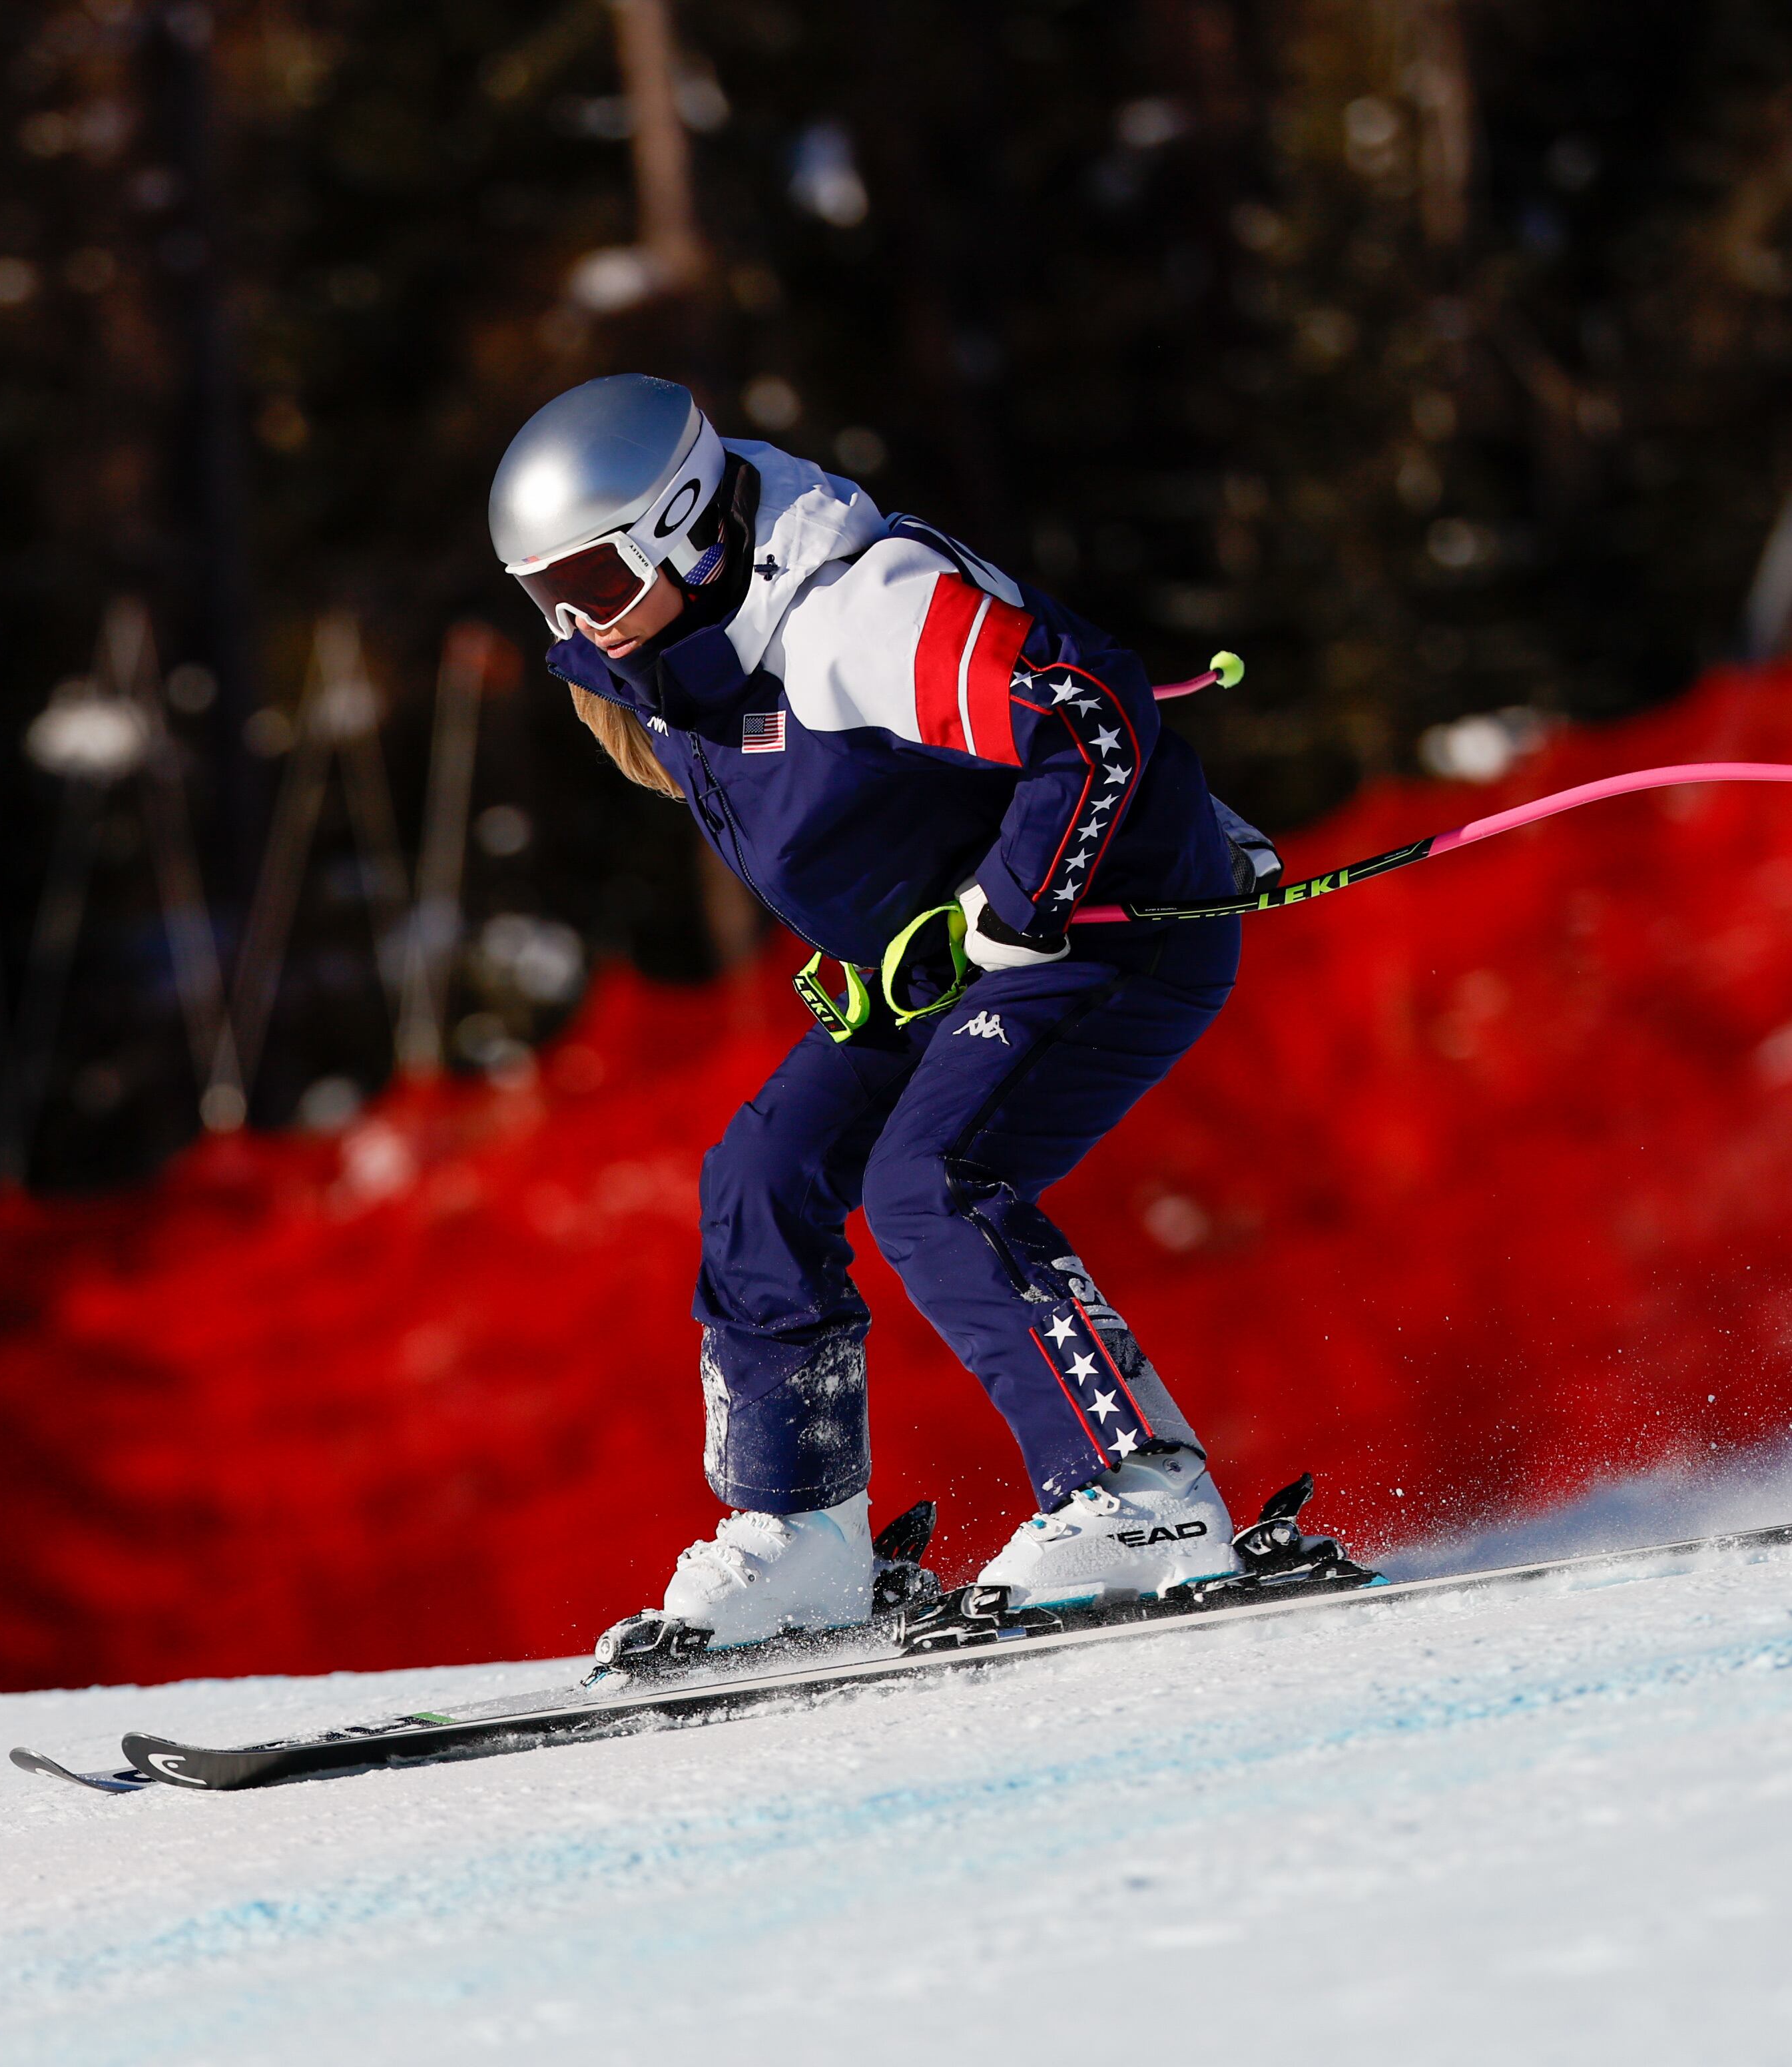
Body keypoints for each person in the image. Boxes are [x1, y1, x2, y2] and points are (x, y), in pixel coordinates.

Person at [491, 373, 1269, 1655]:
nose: (586, 626)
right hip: (944, 963)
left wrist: (1013, 909)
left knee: (934, 1180)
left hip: (1104, 931)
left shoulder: (861, 613)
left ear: (689, 523)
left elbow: (1097, 721)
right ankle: (803, 1537)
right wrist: (883, 941)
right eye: (548, 595)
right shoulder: (664, 648)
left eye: (602, 583)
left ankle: (1138, 1493)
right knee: (761, 1172)